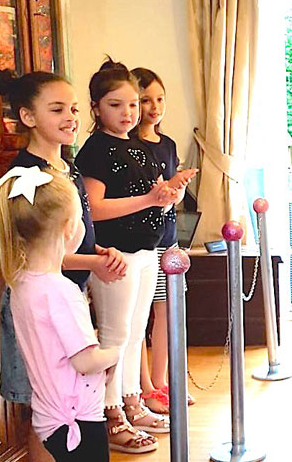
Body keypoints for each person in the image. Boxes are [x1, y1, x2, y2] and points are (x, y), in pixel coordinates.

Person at [0, 69, 128, 462]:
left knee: (58, 407)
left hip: (65, 293)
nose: (71, 117)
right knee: (47, 411)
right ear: (28, 117)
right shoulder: (27, 177)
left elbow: (70, 234)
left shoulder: (67, 168)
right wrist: (92, 261)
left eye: (73, 108)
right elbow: (36, 249)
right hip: (45, 300)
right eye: (57, 110)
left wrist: (98, 253)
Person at [75, 58, 180, 453]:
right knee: (115, 334)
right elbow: (95, 208)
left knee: (136, 332)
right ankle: (110, 411)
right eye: (116, 105)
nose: (128, 113)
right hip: (113, 253)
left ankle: (132, 399)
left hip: (146, 250)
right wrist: (150, 199)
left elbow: (151, 198)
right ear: (97, 108)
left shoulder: (139, 145)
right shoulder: (96, 150)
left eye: (132, 105)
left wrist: (166, 197)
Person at [0, 167, 120, 461]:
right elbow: (85, 361)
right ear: (68, 228)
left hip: (46, 418)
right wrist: (114, 352)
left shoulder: (21, 283)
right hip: (79, 421)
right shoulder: (62, 292)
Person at [131, 67, 197, 414]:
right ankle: (143, 388)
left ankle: (161, 382)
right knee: (140, 316)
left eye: (159, 99)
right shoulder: (129, 145)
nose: (154, 107)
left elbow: (169, 193)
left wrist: (179, 184)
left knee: (168, 311)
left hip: (169, 239)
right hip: (141, 241)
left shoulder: (168, 144)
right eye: (145, 100)